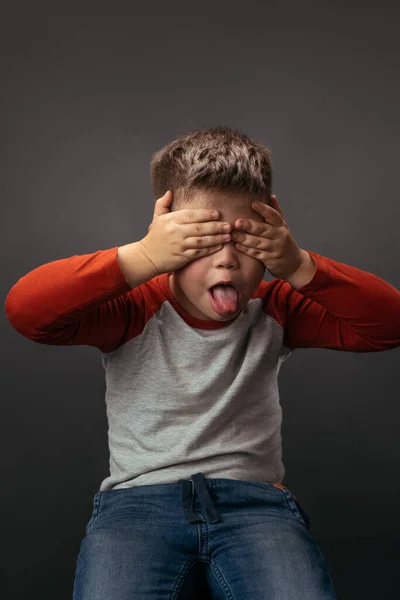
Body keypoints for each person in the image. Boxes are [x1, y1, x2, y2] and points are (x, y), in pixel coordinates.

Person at [5, 125, 400, 600]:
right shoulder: (134, 308)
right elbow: (27, 312)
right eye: (202, 240)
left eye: (247, 241)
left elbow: (389, 326)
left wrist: (299, 266)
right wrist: (143, 257)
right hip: (137, 506)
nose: (227, 261)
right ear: (166, 234)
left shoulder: (277, 308)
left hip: (255, 507)